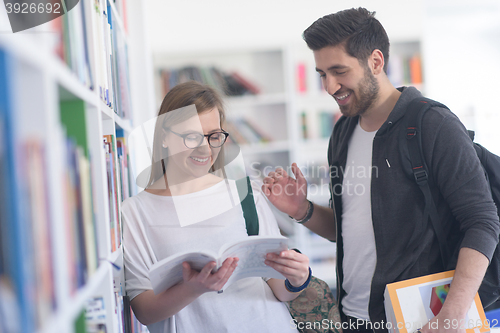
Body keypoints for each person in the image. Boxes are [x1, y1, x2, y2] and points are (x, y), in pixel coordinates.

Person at [262, 7, 500, 333]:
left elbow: (483, 221)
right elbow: (348, 231)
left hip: (422, 319)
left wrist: (452, 314)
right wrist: (301, 210)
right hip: (354, 318)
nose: (330, 87)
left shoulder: (432, 124)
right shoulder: (343, 133)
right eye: (322, 74)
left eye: (339, 71)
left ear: (376, 61)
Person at [122, 81, 309, 333]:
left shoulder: (245, 195)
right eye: (191, 136)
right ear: (165, 136)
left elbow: (279, 289)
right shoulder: (135, 213)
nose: (205, 148)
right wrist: (193, 289)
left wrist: (297, 279)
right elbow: (144, 310)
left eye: (214, 136)